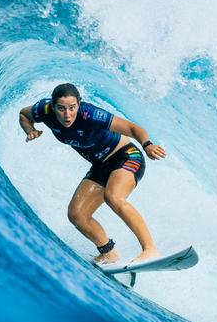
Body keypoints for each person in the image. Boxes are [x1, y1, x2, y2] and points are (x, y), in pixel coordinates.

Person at [19, 83, 166, 265]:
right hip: (100, 165)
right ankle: (109, 253)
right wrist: (30, 130)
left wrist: (147, 145)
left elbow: (133, 128)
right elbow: (24, 115)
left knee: (113, 196)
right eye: (61, 108)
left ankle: (150, 249)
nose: (67, 114)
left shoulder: (90, 115)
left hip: (126, 156)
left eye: (72, 108)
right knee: (77, 214)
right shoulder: (44, 109)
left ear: (79, 105)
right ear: (53, 105)